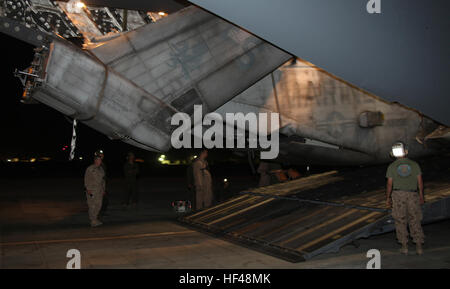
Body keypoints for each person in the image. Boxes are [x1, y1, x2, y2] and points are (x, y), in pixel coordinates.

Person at [386, 142, 425, 255]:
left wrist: (388, 198)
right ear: (406, 151)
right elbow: (420, 182)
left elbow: (389, 184)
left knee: (400, 220)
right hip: (412, 195)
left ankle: (404, 246)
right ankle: (419, 247)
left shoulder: (392, 166)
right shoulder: (414, 165)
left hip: (398, 195)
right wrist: (421, 196)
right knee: (415, 219)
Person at [84, 154, 106, 227]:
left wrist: (103, 189)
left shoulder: (101, 169)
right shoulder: (90, 169)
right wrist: (88, 189)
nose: (99, 161)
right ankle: (93, 220)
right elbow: (86, 179)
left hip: (99, 190)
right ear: (95, 160)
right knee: (92, 205)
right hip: (92, 190)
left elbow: (103, 180)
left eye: (100, 160)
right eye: (98, 160)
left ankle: (95, 219)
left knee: (98, 205)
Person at [95, 149, 109, 217]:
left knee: (104, 200)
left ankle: (101, 212)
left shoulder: (102, 164)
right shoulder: (96, 164)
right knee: (100, 200)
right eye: (101, 154)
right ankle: (97, 213)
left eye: (102, 154)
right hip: (98, 185)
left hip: (103, 184)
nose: (102, 155)